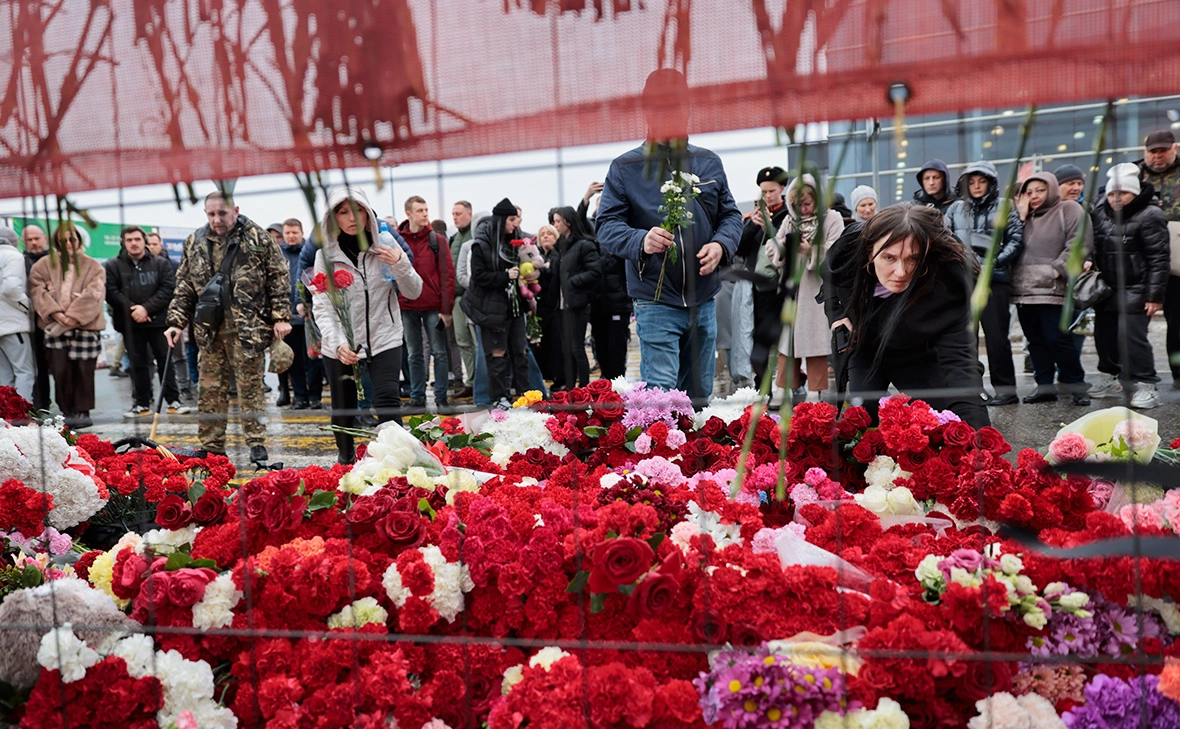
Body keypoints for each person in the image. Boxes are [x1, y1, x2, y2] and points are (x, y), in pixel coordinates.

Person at [597, 68, 743, 399]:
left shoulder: (708, 162)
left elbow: (732, 216)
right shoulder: (624, 168)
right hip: (654, 300)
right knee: (661, 400)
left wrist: (721, 244)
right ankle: (663, 450)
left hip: (705, 299)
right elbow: (606, 226)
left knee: (700, 396)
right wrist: (640, 240)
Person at [825, 204, 989, 428]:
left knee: (945, 420)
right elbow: (830, 279)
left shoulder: (950, 285)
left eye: (913, 259)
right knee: (862, 420)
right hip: (866, 347)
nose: (901, 272)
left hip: (917, 352)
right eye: (889, 258)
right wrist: (837, 315)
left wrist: (980, 437)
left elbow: (961, 364)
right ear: (869, 251)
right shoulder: (848, 254)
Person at [164, 192, 291, 463]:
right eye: (211, 214)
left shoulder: (257, 237)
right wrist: (176, 322)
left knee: (250, 389)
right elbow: (185, 284)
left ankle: (256, 441)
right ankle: (212, 444)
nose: (217, 220)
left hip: (249, 328)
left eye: (222, 213)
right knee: (210, 390)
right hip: (210, 330)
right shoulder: (195, 241)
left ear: (235, 209)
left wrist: (281, 316)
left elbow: (278, 276)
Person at [313, 187, 421, 463]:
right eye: (343, 211)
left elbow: (414, 291)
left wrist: (400, 264)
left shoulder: (386, 245)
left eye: (357, 210)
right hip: (341, 345)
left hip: (385, 336)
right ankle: (346, 460)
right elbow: (323, 307)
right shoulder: (324, 256)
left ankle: (397, 463)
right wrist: (338, 343)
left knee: (387, 402)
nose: (352, 218)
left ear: (368, 213)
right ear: (332, 218)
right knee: (343, 409)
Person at [1088, 164, 1170, 409]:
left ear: (1134, 192)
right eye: (1112, 193)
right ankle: (1109, 377)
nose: (1116, 199)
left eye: (1122, 193)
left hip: (1137, 288)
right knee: (1104, 337)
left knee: (1132, 339)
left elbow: (1159, 258)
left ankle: (1147, 385)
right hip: (1106, 288)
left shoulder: (1150, 215)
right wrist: (1088, 259)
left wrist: (1155, 296)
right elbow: (1093, 244)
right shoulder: (1100, 212)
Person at [943, 161, 1024, 405]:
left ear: (991, 183)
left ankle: (1006, 390)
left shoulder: (1004, 206)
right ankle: (972, 389)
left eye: (982, 181)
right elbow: (945, 237)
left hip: (994, 279)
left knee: (996, 336)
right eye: (971, 182)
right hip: (963, 280)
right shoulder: (955, 208)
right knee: (964, 338)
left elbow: (1016, 238)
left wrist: (995, 261)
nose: (976, 186)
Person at [1011, 172, 1092, 405]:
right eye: (1029, 191)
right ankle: (1044, 386)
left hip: (1053, 289)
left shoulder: (1069, 209)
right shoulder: (1022, 216)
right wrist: (1021, 216)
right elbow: (1010, 241)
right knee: (1034, 340)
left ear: (1052, 189)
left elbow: (1080, 242)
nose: (1034, 196)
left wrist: (1057, 269)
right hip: (1024, 289)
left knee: (1057, 338)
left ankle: (1076, 384)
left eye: (1040, 190)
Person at [767, 174, 844, 401]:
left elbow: (836, 251)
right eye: (797, 205)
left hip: (817, 292)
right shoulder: (790, 221)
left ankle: (814, 391)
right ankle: (781, 389)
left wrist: (809, 250)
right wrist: (784, 246)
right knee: (786, 342)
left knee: (815, 343)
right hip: (790, 291)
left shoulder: (832, 218)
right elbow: (771, 249)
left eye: (808, 203)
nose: (803, 209)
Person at [29, 223, 106, 429]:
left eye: (72, 239)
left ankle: (83, 411)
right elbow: (37, 291)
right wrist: (55, 312)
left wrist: (72, 316)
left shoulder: (93, 266)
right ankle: (67, 411)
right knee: (60, 370)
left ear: (79, 240)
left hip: (84, 327)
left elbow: (94, 294)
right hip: (54, 327)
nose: (68, 244)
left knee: (84, 370)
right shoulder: (43, 265)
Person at [104, 226, 185, 418]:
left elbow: (168, 289)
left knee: (166, 362)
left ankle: (174, 401)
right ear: (123, 242)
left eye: (137, 239)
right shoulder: (113, 266)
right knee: (137, 364)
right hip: (130, 324)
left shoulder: (160, 264)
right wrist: (134, 309)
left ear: (144, 241)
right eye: (129, 239)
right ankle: (141, 403)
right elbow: (111, 292)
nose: (133, 243)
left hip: (158, 322)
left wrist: (146, 308)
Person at [463, 198, 531, 405]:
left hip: (515, 307)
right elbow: (478, 276)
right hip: (491, 309)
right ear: (501, 220)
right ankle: (499, 398)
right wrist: (504, 275)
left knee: (521, 352)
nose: (515, 224)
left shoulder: (516, 242)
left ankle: (526, 396)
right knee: (497, 356)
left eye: (516, 219)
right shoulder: (481, 245)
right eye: (511, 219)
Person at [738, 166, 794, 389]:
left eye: (772, 191)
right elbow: (739, 250)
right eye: (763, 192)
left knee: (782, 337)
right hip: (757, 288)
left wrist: (770, 228)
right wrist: (753, 225)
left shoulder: (789, 216)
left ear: (782, 188)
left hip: (780, 286)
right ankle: (762, 386)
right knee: (757, 338)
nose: (768, 196)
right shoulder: (752, 218)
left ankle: (787, 385)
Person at [398, 196, 455, 410]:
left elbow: (447, 275)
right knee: (414, 354)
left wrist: (446, 309)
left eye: (426, 209)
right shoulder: (398, 240)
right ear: (408, 213)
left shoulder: (437, 240)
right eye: (419, 210)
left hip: (433, 304)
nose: (424, 214)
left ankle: (441, 398)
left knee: (439, 352)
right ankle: (417, 398)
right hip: (407, 303)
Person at [1136, 129, 1180, 387]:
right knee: (1135, 324)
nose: (1158, 156)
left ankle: (1178, 376)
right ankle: (1135, 378)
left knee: (1176, 322)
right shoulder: (1132, 174)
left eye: (1163, 150)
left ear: (1174, 148)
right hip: (1142, 262)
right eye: (1153, 151)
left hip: (1176, 261)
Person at [551, 206, 601, 389]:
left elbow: (595, 271)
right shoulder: (562, 246)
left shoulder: (584, 245)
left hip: (577, 304)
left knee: (577, 348)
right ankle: (571, 387)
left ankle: (585, 387)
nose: (554, 225)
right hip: (562, 305)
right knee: (567, 349)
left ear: (568, 222)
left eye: (557, 221)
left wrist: (572, 282)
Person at [274, 218, 318, 410]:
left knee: (314, 358)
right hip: (287, 316)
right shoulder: (276, 255)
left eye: (295, 232)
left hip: (310, 315)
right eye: (287, 233)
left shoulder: (309, 253)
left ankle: (315, 396)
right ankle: (300, 397)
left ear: (301, 233)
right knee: (293, 360)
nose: (291, 236)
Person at [147, 231, 192, 402]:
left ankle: (184, 386)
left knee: (179, 355)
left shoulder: (173, 265)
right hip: (149, 318)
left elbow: (178, 291)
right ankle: (149, 392)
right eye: (148, 244)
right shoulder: (139, 267)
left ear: (161, 245)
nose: (151, 247)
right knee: (149, 358)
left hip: (172, 316)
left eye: (154, 244)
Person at [0, 227, 34, 401]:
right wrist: (28, 307)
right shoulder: (13, 256)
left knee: (4, 376)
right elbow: (11, 288)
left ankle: (6, 417)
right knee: (24, 371)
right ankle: (21, 416)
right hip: (13, 324)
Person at [21, 224, 50, 411]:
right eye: (29, 240)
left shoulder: (54, 260)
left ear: (45, 238)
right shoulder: (20, 261)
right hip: (31, 321)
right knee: (38, 366)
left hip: (57, 319)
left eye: (36, 238)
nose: (33, 243)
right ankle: (42, 404)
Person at [449, 201, 476, 398]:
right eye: (453, 214)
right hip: (457, 297)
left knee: (476, 341)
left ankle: (480, 380)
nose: (455, 217)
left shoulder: (474, 235)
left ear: (469, 214)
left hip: (472, 296)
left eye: (458, 213)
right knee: (462, 340)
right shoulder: (455, 237)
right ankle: (472, 380)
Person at [532, 224, 563, 387]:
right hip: (538, 305)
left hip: (555, 305)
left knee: (556, 343)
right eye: (542, 233)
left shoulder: (558, 255)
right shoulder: (535, 256)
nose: (545, 236)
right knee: (539, 343)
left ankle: (557, 377)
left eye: (549, 234)